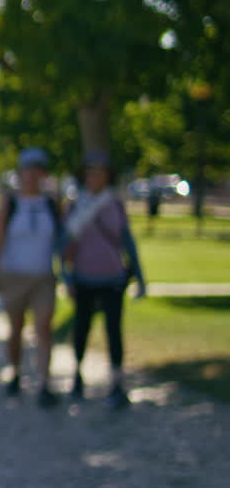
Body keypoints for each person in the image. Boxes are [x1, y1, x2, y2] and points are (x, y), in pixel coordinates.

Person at [63, 150, 146, 409]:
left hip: (113, 278)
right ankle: (77, 375)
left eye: (100, 172)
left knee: (114, 331)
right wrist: (67, 277)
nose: (95, 177)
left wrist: (140, 276)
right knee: (82, 328)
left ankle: (117, 383)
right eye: (91, 172)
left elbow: (127, 241)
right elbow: (64, 246)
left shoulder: (115, 204)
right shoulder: (75, 205)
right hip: (84, 278)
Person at [0, 147, 64, 408]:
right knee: (16, 329)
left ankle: (44, 383)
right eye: (28, 171)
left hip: (43, 276)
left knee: (43, 328)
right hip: (14, 275)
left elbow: (61, 240)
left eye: (37, 171)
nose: (32, 176)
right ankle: (15, 371)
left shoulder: (51, 205)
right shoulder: (10, 205)